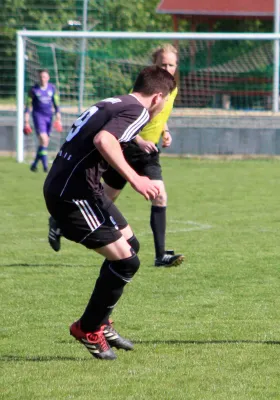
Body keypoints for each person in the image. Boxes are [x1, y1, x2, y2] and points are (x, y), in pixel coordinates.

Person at [43, 66, 176, 360]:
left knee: (130, 247)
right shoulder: (139, 112)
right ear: (157, 97)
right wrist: (135, 178)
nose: (163, 107)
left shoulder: (116, 102)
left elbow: (108, 132)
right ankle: (88, 328)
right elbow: (103, 140)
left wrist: (137, 141)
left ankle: (101, 322)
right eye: (165, 101)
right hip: (73, 195)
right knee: (127, 262)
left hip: (82, 189)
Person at [49, 44, 184, 268]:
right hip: (117, 155)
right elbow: (107, 137)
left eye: (171, 65)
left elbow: (152, 116)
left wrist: (164, 131)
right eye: (163, 64)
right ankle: (63, 224)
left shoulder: (149, 95)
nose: (167, 68)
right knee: (124, 250)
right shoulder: (139, 103)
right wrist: (136, 169)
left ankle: (160, 255)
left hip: (142, 154)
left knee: (136, 235)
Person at [24, 69, 62, 172]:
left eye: (44, 77)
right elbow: (28, 106)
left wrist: (58, 117)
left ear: (48, 78)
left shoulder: (52, 88)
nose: (42, 79)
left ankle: (34, 164)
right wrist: (26, 121)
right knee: (44, 139)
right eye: (41, 77)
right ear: (38, 78)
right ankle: (45, 167)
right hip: (38, 117)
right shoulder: (33, 90)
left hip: (49, 117)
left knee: (44, 143)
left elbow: (56, 104)